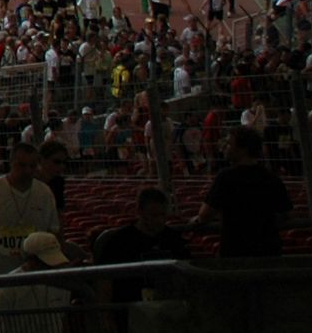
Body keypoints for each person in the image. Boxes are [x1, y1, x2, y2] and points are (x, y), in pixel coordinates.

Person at [0, 142, 60, 277]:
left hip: (33, 273)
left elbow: (53, 230)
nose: (27, 171)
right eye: (21, 165)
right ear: (11, 163)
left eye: (32, 166)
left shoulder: (44, 192)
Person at [196, 125, 291, 258]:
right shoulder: (272, 178)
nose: (224, 147)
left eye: (229, 144)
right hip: (268, 250)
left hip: (236, 251)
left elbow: (205, 214)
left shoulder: (225, 178)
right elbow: (285, 214)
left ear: (243, 149)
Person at [93, 187, 191, 302]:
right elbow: (105, 284)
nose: (160, 220)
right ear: (139, 212)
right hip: (129, 306)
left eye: (163, 215)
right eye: (154, 216)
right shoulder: (118, 241)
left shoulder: (174, 239)